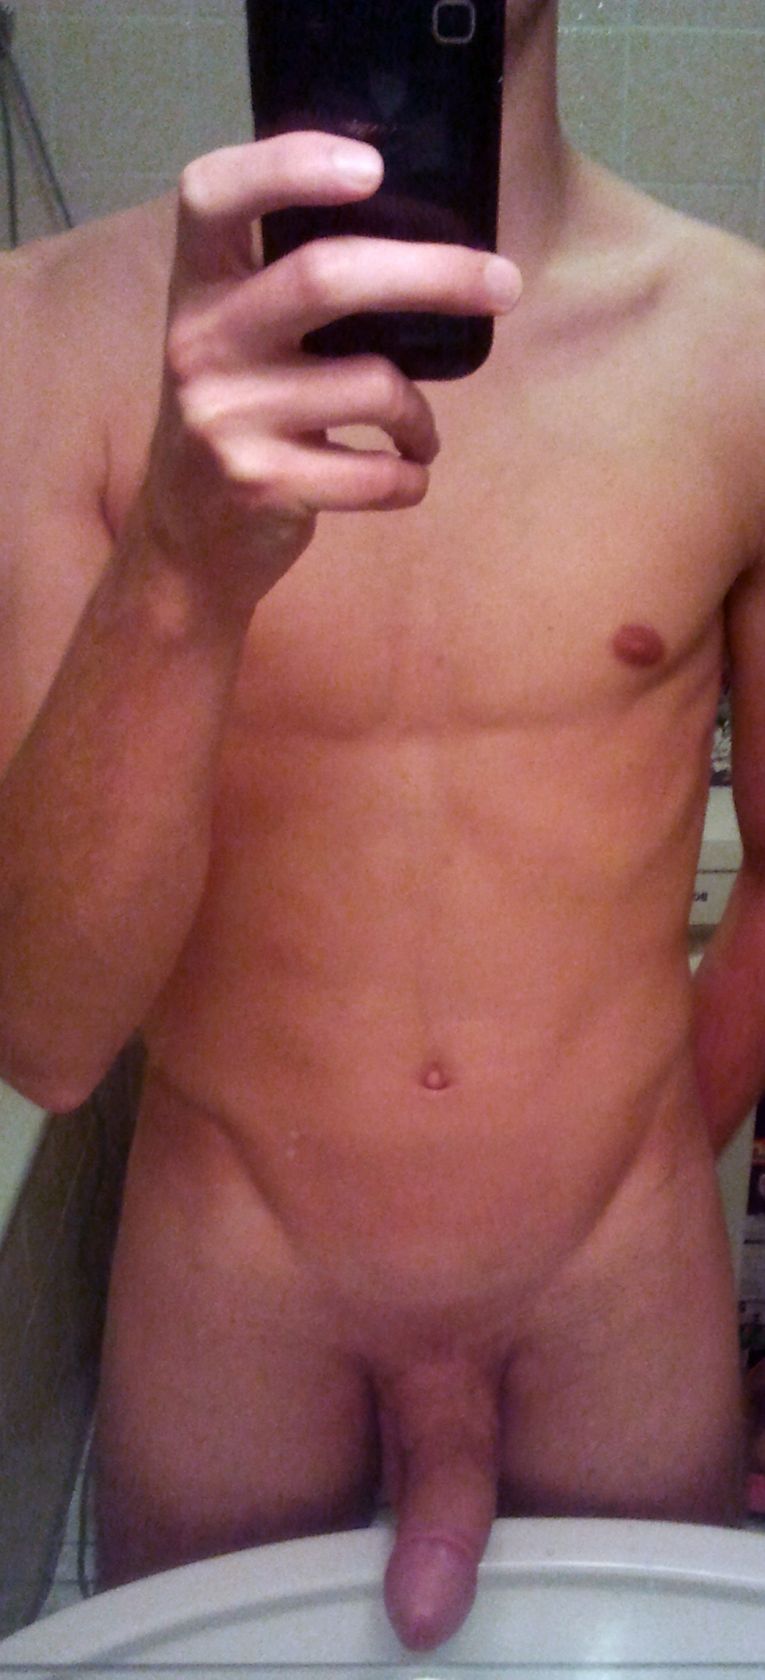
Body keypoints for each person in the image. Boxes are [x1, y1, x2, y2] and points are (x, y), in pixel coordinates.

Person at [0, 0, 762, 1651]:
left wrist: (593, 1190)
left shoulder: (737, 345)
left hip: (613, 1292)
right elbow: (47, 1031)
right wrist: (177, 572)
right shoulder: (38, 337)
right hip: (233, 1291)